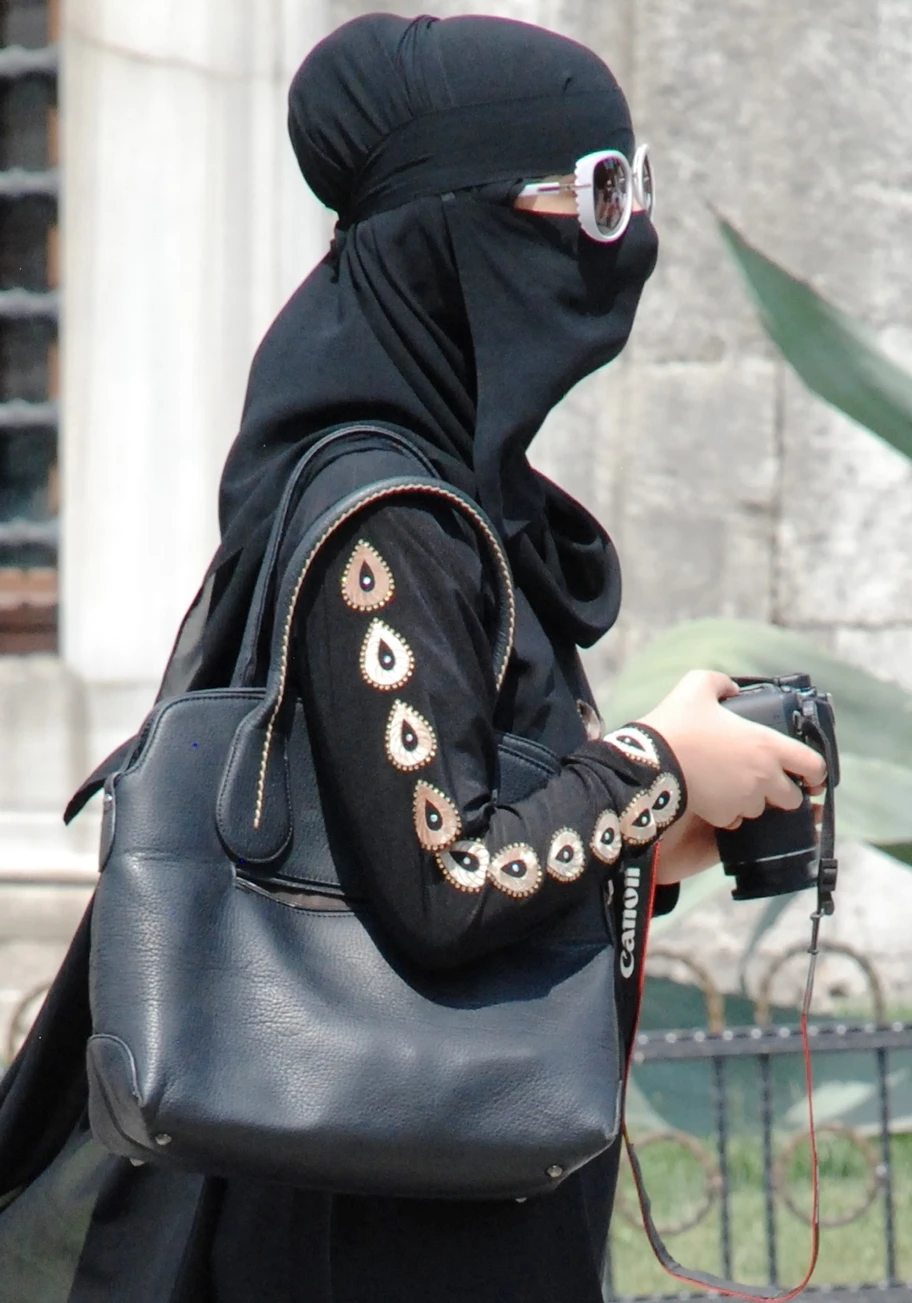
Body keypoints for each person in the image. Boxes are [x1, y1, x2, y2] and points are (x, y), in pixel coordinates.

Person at [0, 13, 826, 1303]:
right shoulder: (387, 529)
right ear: (460, 233)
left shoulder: (450, 506)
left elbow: (396, 843)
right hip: (372, 1239)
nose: (627, 237)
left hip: (431, 1205)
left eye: (640, 183)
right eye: (596, 194)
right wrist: (656, 766)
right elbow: (447, 879)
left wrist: (657, 841)